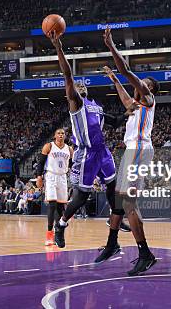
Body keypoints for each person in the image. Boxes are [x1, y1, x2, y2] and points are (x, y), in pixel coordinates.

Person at [96, 27, 159, 276]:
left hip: (140, 150)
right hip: (132, 151)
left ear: (149, 89)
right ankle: (112, 243)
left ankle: (145, 253)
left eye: (146, 84)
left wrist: (111, 46)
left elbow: (126, 71)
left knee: (128, 202)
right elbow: (124, 98)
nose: (142, 84)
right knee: (120, 202)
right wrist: (113, 80)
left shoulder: (149, 101)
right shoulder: (134, 107)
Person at [48, 31, 118, 251]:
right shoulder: (76, 104)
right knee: (81, 197)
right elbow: (68, 74)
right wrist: (59, 47)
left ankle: (113, 218)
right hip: (85, 153)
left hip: (103, 151)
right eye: (75, 87)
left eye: (81, 86)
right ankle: (61, 224)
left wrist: (128, 113)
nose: (79, 86)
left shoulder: (96, 104)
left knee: (114, 186)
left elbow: (112, 123)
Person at [35, 128, 73, 246]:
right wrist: (39, 176)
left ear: (65, 136)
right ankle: (49, 234)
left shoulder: (69, 149)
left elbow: (71, 165)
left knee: (61, 206)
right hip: (51, 175)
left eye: (63, 133)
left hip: (62, 177)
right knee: (52, 204)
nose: (61, 135)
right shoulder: (49, 146)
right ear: (55, 135)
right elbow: (41, 162)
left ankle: (58, 233)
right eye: (58, 133)